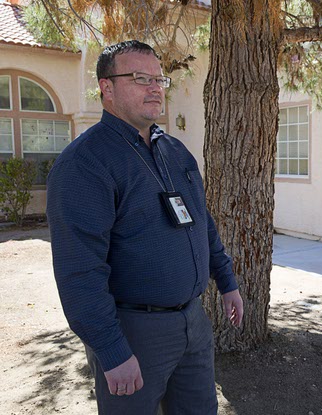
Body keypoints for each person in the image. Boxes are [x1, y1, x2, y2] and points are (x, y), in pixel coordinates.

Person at [46, 40, 243, 415]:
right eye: (140, 78)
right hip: (135, 331)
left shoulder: (175, 151)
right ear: (107, 87)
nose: (155, 87)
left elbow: (203, 224)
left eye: (159, 79)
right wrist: (112, 350)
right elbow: (79, 271)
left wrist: (227, 281)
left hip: (193, 322)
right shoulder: (85, 164)